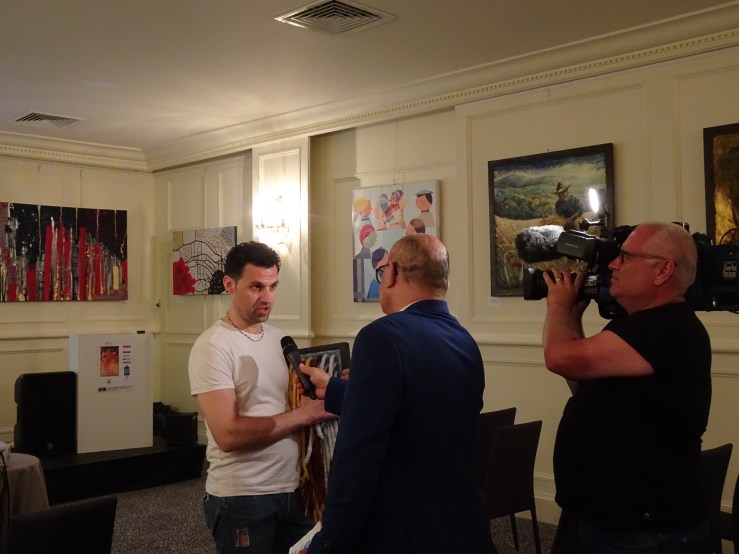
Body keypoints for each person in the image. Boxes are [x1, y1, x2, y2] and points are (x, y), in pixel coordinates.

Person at [299, 234, 496, 554]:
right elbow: (420, 408)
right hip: (458, 520)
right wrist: (333, 389)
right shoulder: (464, 340)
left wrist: (328, 541)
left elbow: (358, 456)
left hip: (404, 528)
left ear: (390, 272)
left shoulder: (381, 337)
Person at [542, 222, 712, 553]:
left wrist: (558, 307)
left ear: (663, 270)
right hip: (618, 519)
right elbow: (585, 383)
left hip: (642, 529)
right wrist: (571, 317)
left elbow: (559, 357)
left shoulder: (665, 328)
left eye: (625, 257)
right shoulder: (635, 325)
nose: (612, 265)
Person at [188, 241, 334, 554]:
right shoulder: (213, 346)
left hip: (296, 489)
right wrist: (304, 414)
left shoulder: (280, 339)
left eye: (273, 286)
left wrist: (332, 389)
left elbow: (298, 403)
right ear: (230, 285)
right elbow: (228, 434)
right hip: (243, 495)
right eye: (256, 287)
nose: (267, 297)